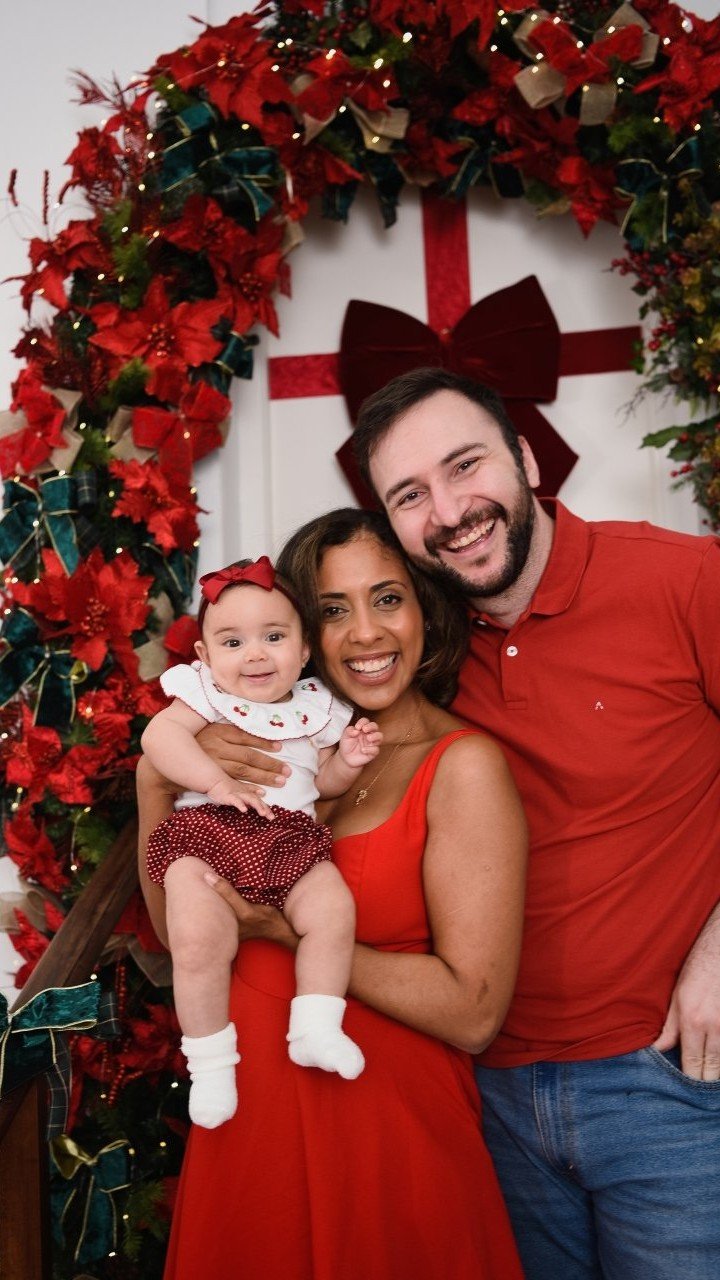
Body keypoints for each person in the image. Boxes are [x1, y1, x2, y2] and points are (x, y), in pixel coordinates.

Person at [344, 367, 720, 1280]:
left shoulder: (686, 578)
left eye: (465, 465)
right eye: (410, 495)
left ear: (524, 457)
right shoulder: (406, 650)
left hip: (672, 1082)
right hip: (486, 1100)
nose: (450, 512)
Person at [136, 509, 527, 1280]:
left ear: (426, 609)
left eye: (388, 599)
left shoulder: (461, 763)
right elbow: (175, 931)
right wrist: (158, 778)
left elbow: (475, 1013)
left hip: (384, 1136)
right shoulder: (257, 740)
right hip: (248, 1123)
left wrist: (282, 932)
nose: (365, 633)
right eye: (334, 609)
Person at [140, 555, 381, 1128]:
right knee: (196, 939)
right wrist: (214, 782)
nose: (255, 654)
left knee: (332, 909)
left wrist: (347, 762)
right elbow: (159, 739)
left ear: (304, 649)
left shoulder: (316, 708)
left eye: (274, 637)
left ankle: (316, 1024)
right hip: (206, 833)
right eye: (232, 642)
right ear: (204, 656)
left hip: (286, 837)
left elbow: (320, 784)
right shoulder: (203, 697)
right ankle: (211, 1062)